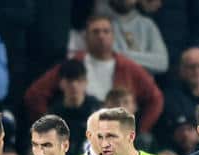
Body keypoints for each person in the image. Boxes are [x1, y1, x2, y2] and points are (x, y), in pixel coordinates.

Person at [24, 15, 163, 137]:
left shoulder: (128, 66)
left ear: (113, 36)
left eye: (106, 31)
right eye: (95, 32)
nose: (101, 36)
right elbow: (35, 94)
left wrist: (141, 129)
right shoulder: (74, 63)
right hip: (79, 127)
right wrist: (47, 127)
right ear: (86, 37)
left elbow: (156, 98)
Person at [48, 59, 102, 155]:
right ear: (61, 84)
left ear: (86, 82)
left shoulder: (97, 112)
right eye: (69, 81)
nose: (74, 85)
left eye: (79, 80)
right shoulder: (53, 115)